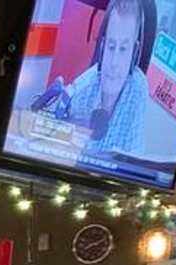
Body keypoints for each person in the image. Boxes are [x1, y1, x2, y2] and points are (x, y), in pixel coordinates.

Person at [65, 0, 149, 156]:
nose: (114, 62)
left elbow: (132, 158)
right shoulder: (81, 92)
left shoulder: (138, 89)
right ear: (102, 48)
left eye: (123, 49)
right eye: (111, 47)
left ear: (134, 53)